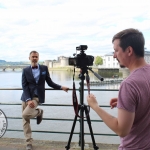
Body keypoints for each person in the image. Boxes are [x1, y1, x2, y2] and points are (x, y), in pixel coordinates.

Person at [87, 28, 150, 149]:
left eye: (116, 50)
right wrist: (126, 102)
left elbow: (121, 130)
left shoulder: (129, 84)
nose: (114, 55)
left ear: (129, 50)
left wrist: (95, 106)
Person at [21, 51, 69, 150]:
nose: (34, 58)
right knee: (25, 120)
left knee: (25, 115)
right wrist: (28, 99)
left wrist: (61, 87)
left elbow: (50, 83)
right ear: (29, 58)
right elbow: (24, 86)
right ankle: (28, 142)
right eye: (32, 57)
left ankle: (39, 112)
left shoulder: (44, 68)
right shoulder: (25, 70)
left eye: (36, 57)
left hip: (37, 97)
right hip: (26, 97)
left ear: (38, 58)